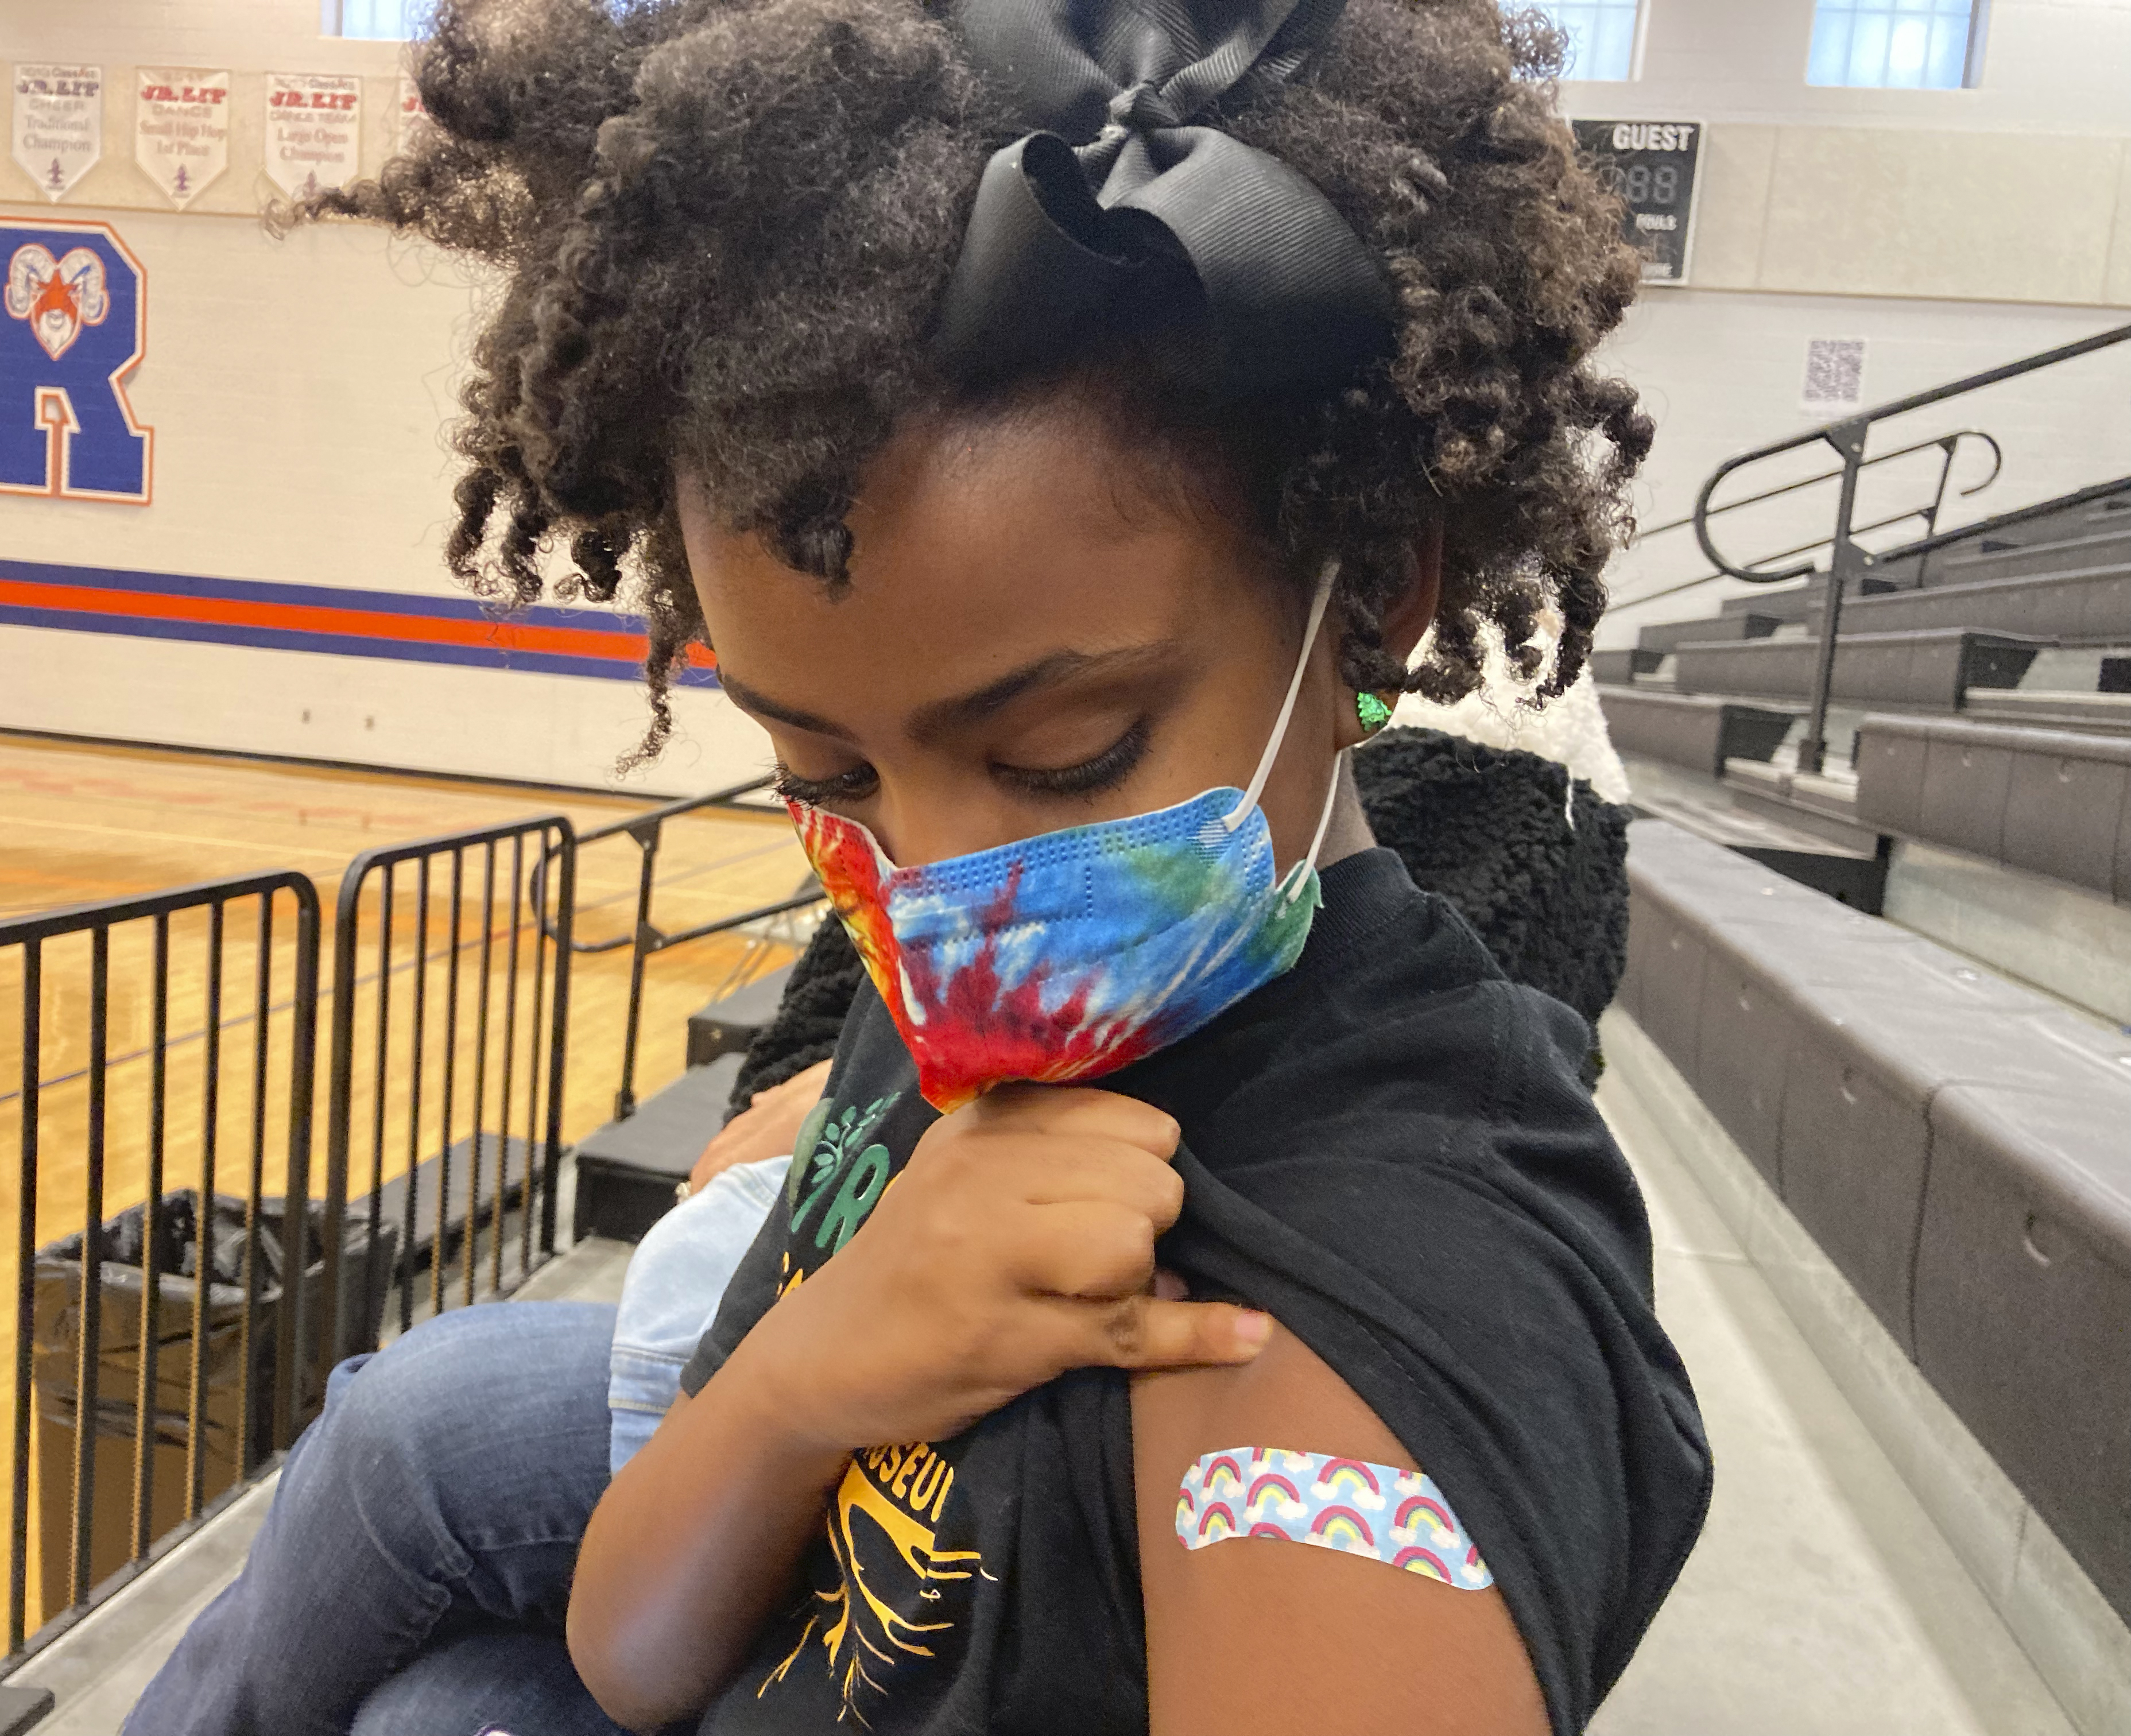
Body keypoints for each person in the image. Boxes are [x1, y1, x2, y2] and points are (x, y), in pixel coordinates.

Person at [126, 0, 1708, 1731]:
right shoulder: (947, 1038)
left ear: (1376, 586)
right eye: (828, 772)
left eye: (1060, 756)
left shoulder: (1404, 1265)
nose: (942, 894)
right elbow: (629, 1650)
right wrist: (821, 1367)